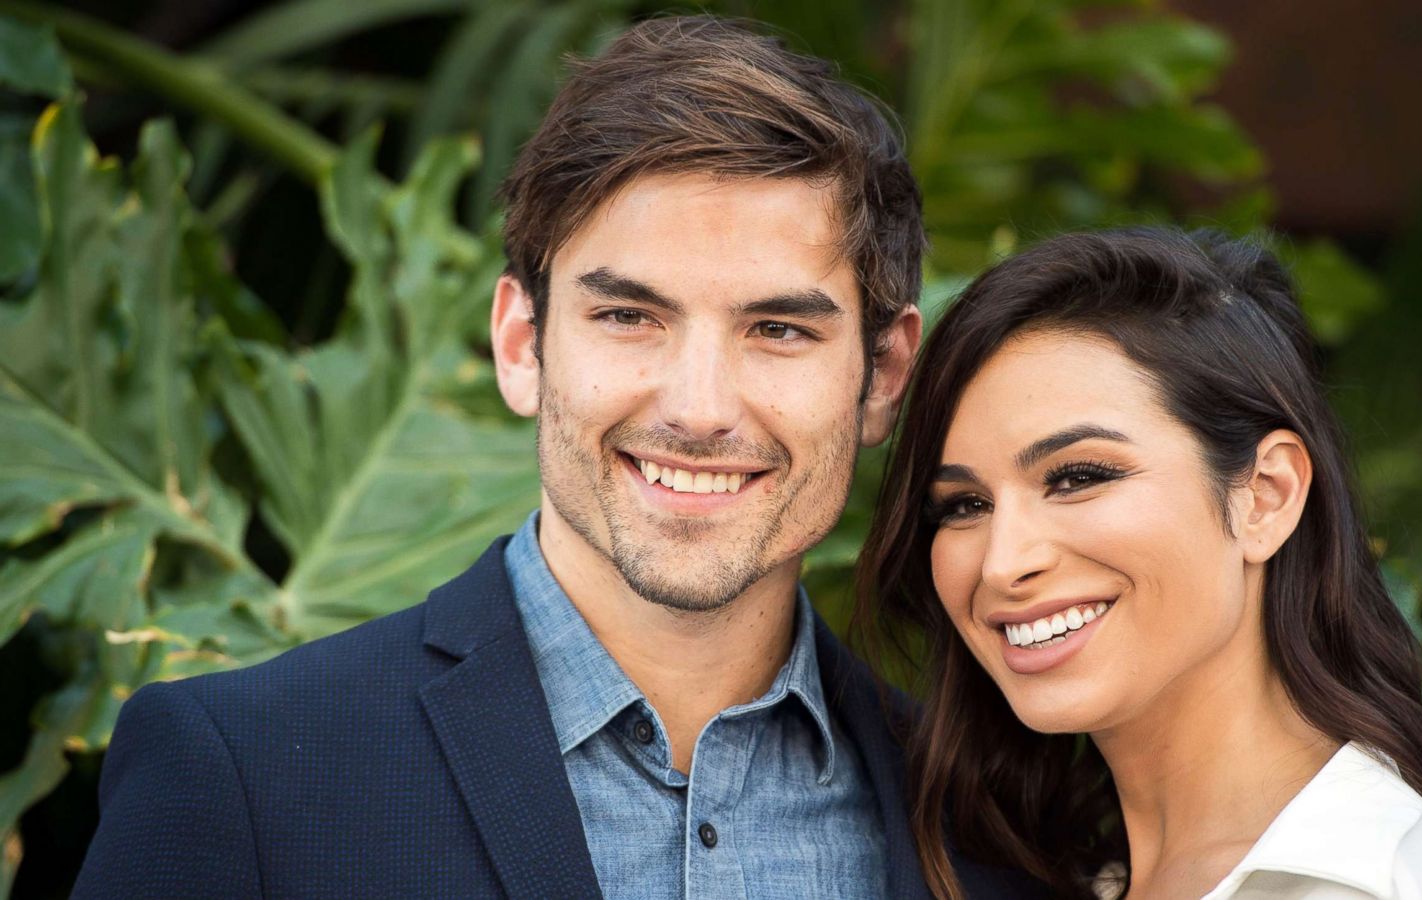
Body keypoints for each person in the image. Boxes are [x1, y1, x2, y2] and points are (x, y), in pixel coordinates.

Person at [73, 17, 1045, 899]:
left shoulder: (995, 824)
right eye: (629, 316)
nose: (698, 410)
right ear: (519, 344)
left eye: (778, 330)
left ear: (881, 374)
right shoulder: (242, 775)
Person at [856, 228, 1422, 899]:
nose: (1001, 564)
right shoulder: (1044, 872)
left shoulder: (1378, 885)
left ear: (1265, 497)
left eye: (1076, 476)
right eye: (962, 505)